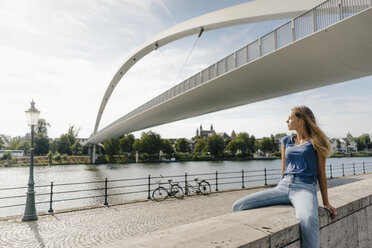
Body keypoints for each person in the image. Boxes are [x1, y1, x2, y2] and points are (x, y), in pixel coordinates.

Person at [232, 106, 337, 248]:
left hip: (304, 188)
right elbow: (283, 169)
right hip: (282, 187)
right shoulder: (286, 141)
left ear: (301, 121)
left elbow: (321, 172)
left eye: (290, 117)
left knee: (308, 219)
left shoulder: (316, 142)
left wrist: (326, 202)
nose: (286, 120)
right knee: (239, 206)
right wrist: (279, 187)